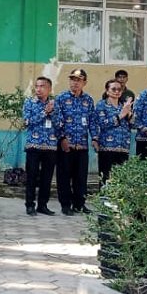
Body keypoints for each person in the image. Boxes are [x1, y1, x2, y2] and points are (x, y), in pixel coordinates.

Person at [54, 68, 95, 216]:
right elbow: (57, 120)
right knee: (64, 176)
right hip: (66, 145)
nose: (75, 83)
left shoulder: (88, 100)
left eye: (78, 80)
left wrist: (95, 138)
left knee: (81, 177)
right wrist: (62, 138)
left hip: (82, 145)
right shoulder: (61, 98)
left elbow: (92, 122)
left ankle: (79, 204)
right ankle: (65, 205)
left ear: (84, 82)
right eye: (72, 79)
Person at [22, 76, 62, 216]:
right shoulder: (29, 103)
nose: (39, 89)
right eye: (37, 86)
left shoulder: (55, 104)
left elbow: (59, 125)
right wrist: (44, 112)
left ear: (49, 89)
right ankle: (29, 205)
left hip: (50, 146)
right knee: (32, 176)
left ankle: (43, 205)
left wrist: (52, 113)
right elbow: (27, 122)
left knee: (47, 178)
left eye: (42, 86)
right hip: (34, 145)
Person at [92, 79, 133, 187]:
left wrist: (129, 115)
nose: (116, 91)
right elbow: (102, 123)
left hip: (123, 147)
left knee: (121, 180)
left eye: (119, 89)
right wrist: (120, 115)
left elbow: (133, 125)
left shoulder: (123, 106)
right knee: (106, 178)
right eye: (113, 89)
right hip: (107, 147)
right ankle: (104, 202)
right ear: (107, 91)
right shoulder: (102, 105)